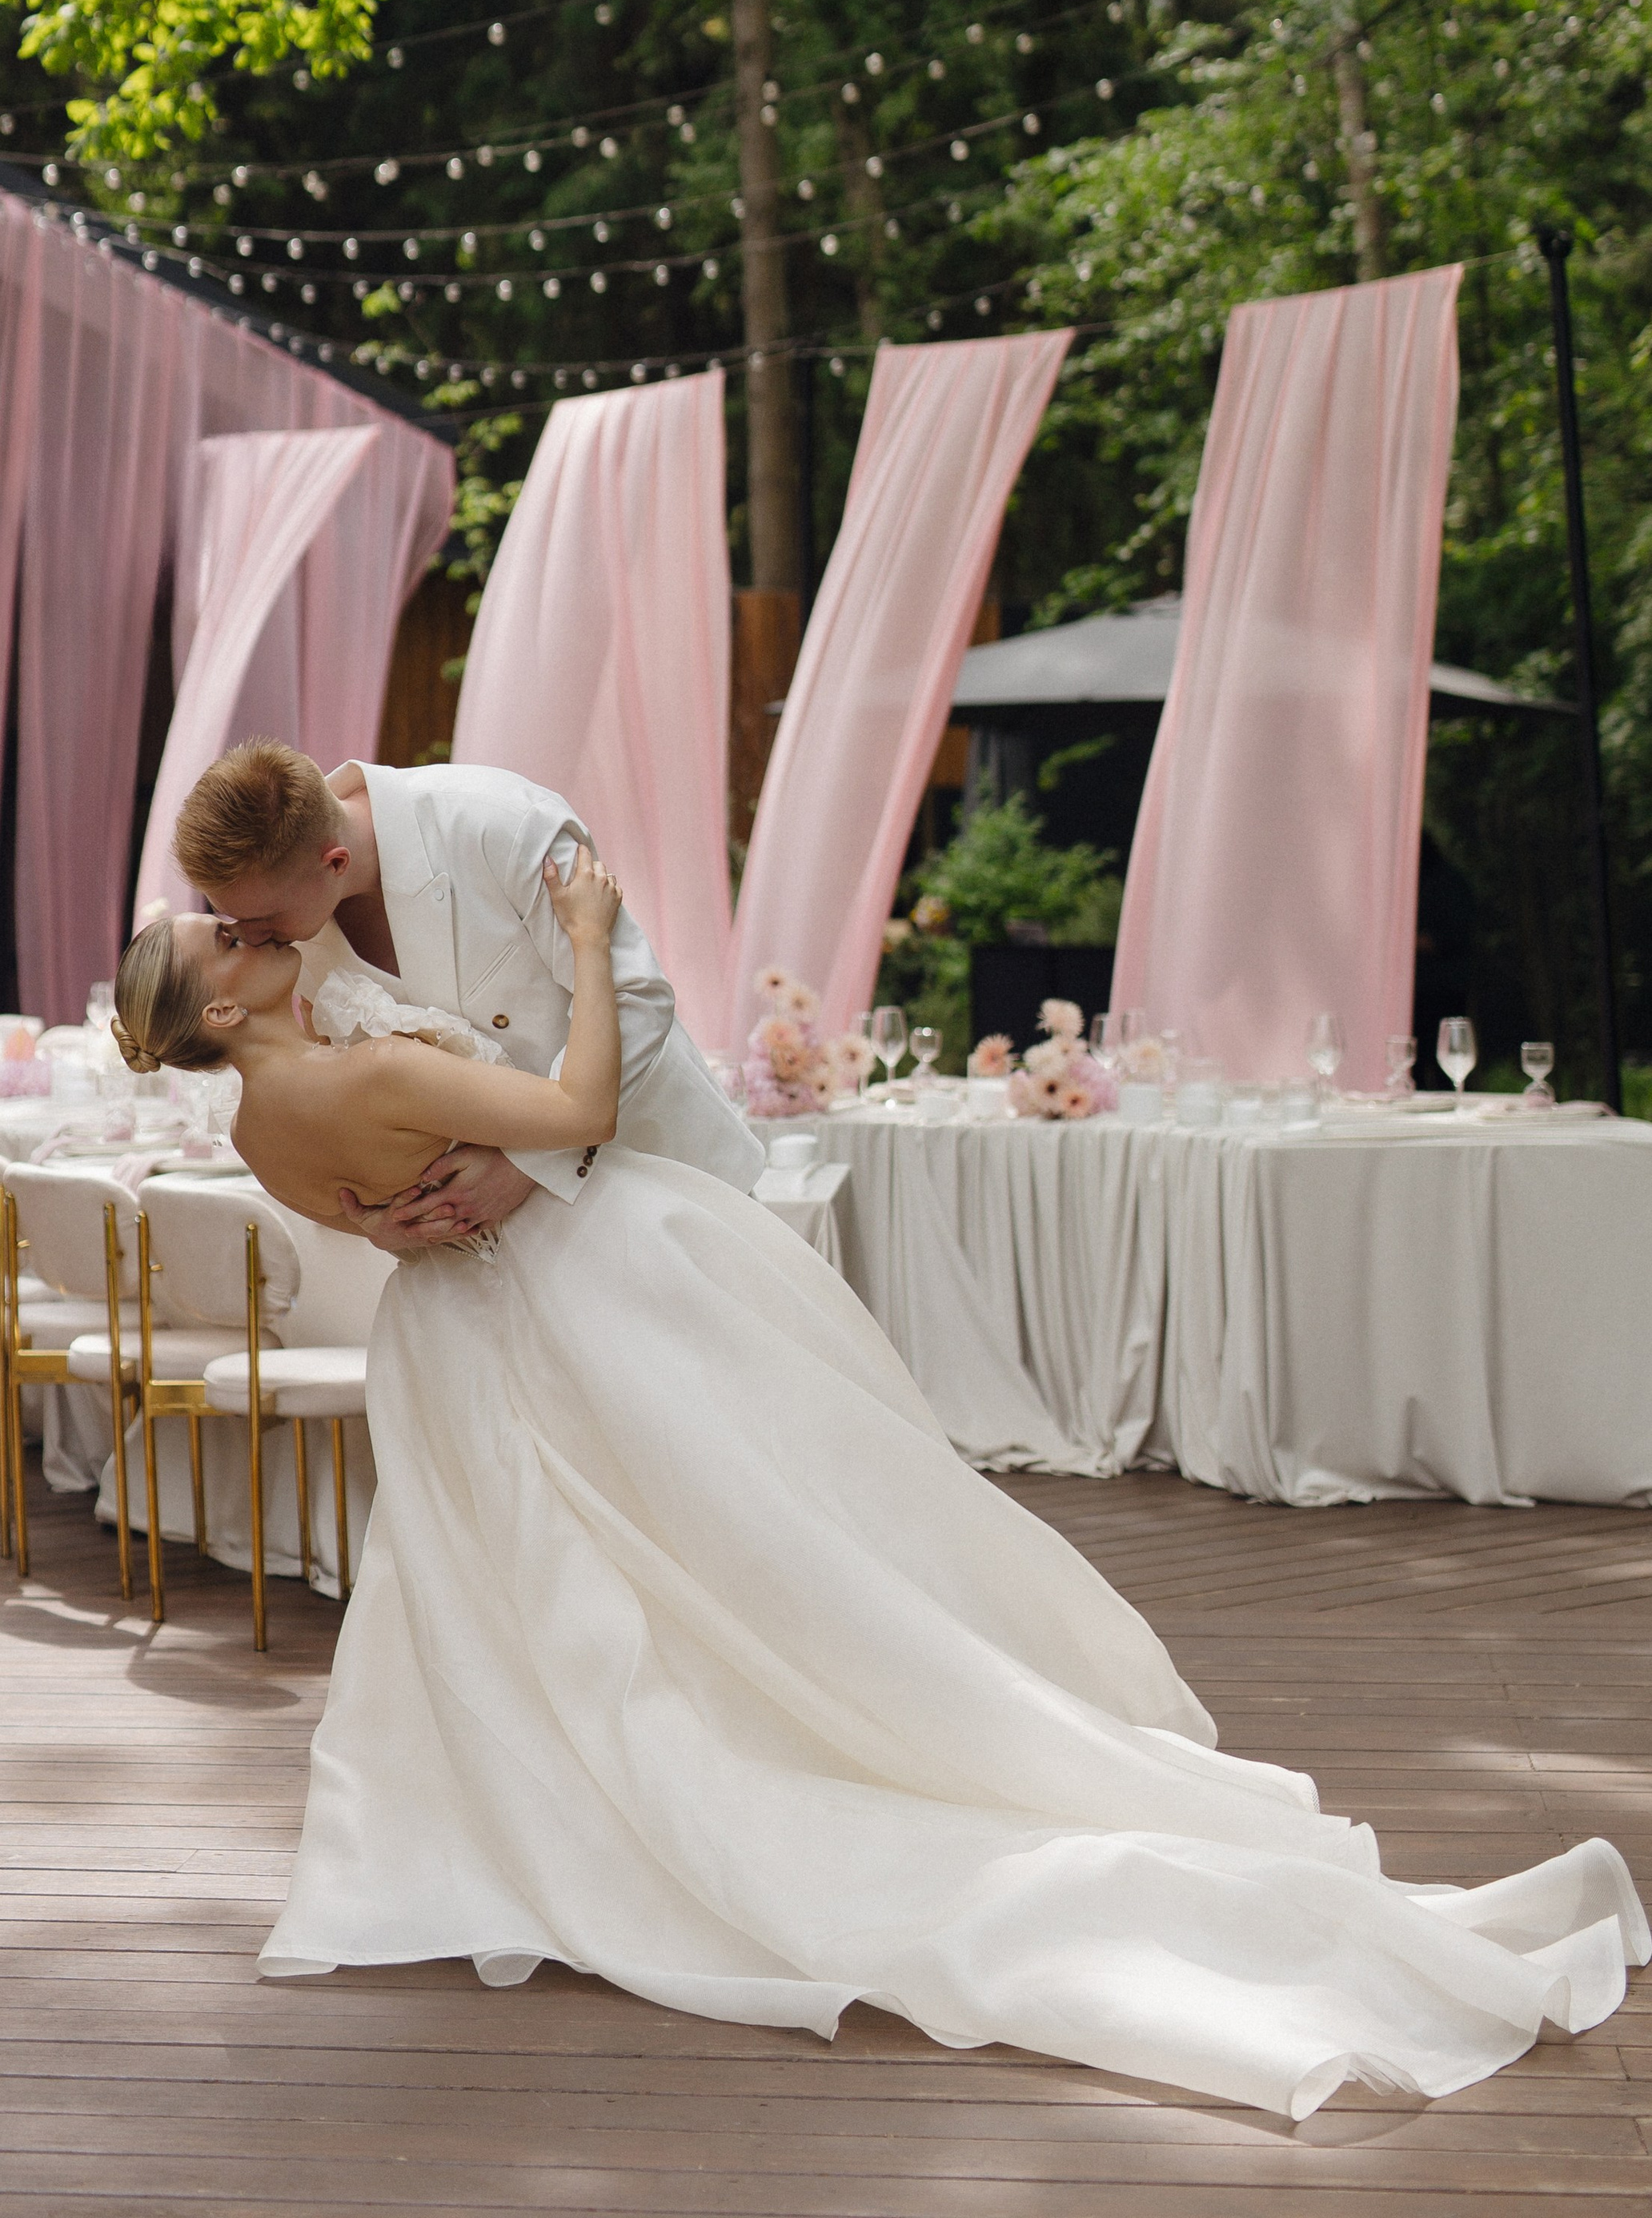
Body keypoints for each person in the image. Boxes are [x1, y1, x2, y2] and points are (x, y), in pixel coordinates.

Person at [110, 866, 1646, 2121]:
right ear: (222, 1002)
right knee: (759, 1541)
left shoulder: (257, 1121)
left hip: (448, 1344)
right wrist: (583, 940)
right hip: (578, 1292)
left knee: (547, 1594)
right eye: (223, 940)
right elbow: (578, 1112)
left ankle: (569, 1824)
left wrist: (419, 1203)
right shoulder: (367, 1064)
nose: (252, 933)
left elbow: (386, 1231)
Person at [167, 738, 760, 1249]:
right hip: (502, 1251)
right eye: (234, 922)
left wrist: (527, 1162)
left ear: (336, 861)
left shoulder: (502, 821)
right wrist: (380, 1221)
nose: (251, 937)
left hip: (658, 1178)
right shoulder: (285, 932)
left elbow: (637, 996)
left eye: (263, 920)